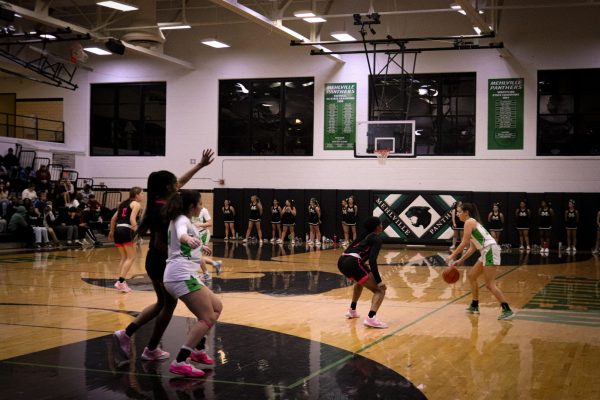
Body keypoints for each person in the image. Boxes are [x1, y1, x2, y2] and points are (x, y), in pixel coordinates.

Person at [113, 149, 214, 362]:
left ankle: (129, 335)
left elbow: (180, 183)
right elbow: (161, 243)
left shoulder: (159, 203)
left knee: (163, 304)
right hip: (162, 260)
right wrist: (185, 258)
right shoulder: (163, 209)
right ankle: (157, 348)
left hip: (155, 260)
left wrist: (199, 166)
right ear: (167, 187)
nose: (177, 185)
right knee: (178, 304)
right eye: (173, 183)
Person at [162, 189, 223, 378]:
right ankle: (180, 361)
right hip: (180, 275)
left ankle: (198, 349)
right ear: (191, 206)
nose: (201, 205)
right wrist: (187, 238)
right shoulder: (182, 220)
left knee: (216, 307)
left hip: (187, 273)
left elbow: (185, 241)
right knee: (206, 318)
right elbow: (181, 234)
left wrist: (199, 245)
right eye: (200, 203)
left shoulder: (186, 220)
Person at [445, 202, 514, 320]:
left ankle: (507, 309)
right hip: (486, 251)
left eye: (459, 212)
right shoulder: (471, 223)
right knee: (471, 276)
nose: (457, 214)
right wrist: (460, 260)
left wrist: (452, 256)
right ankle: (475, 305)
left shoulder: (469, 222)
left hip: (490, 250)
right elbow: (472, 248)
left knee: (489, 284)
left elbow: (464, 243)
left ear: (466, 213)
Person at [337, 216, 388, 328]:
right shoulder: (376, 239)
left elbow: (351, 249)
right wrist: (379, 281)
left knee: (360, 281)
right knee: (380, 290)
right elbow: (373, 261)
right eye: (380, 224)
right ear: (378, 227)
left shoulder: (363, 234)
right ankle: (371, 318)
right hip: (353, 262)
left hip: (342, 260)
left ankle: (352, 310)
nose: (382, 225)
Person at [108, 187, 144, 293]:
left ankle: (120, 281)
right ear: (136, 195)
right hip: (126, 230)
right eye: (141, 193)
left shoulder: (123, 204)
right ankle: (121, 282)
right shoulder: (136, 204)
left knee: (124, 258)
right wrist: (138, 233)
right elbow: (132, 219)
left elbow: (113, 219)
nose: (142, 195)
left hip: (118, 230)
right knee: (131, 257)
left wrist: (111, 231)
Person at [191, 200, 222, 281]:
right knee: (195, 255)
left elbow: (210, 223)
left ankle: (206, 274)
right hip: (196, 234)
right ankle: (215, 264)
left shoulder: (204, 210)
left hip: (203, 234)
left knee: (198, 254)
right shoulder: (191, 211)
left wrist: (199, 224)